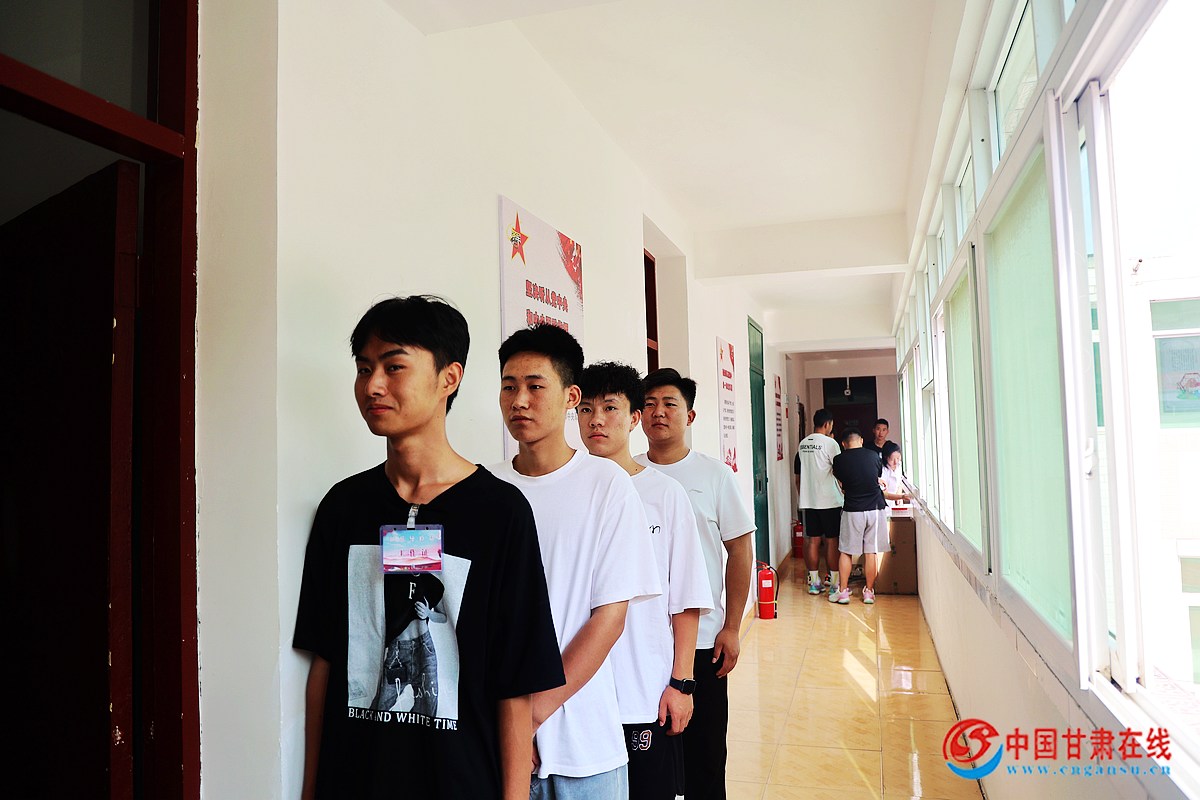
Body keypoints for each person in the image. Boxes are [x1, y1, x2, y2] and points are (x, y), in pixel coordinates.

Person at [293, 296, 564, 800]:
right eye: (364, 368)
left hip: (461, 782)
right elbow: (324, 663)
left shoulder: (500, 513)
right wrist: (310, 790)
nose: (372, 385)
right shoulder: (343, 507)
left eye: (393, 366)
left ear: (449, 378)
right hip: (354, 783)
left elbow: (514, 687)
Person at [490, 326, 661, 800]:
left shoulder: (606, 485)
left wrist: (530, 717)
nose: (520, 400)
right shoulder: (486, 489)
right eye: (509, 386)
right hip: (498, 744)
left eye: (535, 386)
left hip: (584, 746)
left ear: (571, 397)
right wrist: (511, 728)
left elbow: (609, 618)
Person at [575, 361, 713, 800]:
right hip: (577, 694)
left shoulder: (664, 494)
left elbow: (685, 598)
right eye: (586, 409)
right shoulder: (570, 490)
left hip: (643, 693)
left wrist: (682, 683)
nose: (596, 420)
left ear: (634, 418)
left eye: (610, 408)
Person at [635, 367, 755, 800]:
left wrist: (732, 627)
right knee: (651, 765)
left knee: (704, 761)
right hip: (642, 643)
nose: (658, 412)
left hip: (703, 642)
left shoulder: (714, 475)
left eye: (669, 404)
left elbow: (740, 552)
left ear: (690, 416)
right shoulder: (625, 475)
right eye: (649, 404)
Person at [830, 428, 889, 605]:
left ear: (843, 444)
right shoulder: (874, 456)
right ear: (861, 440)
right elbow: (875, 477)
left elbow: (842, 483)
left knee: (846, 551)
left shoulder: (839, 460)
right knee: (871, 551)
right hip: (875, 508)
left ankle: (843, 592)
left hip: (853, 509)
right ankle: (869, 592)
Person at [796, 409, 844, 598]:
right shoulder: (830, 443)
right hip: (829, 500)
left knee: (813, 540)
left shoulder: (803, 444)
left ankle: (814, 583)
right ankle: (834, 584)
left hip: (809, 500)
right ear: (827, 424)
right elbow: (839, 469)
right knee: (832, 541)